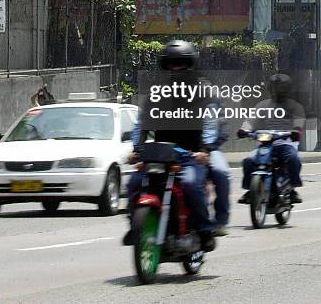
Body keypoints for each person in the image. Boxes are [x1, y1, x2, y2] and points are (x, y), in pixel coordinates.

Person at [123, 40, 216, 251]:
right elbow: (142, 124)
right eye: (171, 64)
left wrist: (204, 150)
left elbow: (211, 123)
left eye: (181, 64)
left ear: (190, 65)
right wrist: (136, 150)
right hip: (158, 156)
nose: (176, 68)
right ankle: (136, 227)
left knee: (191, 185)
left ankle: (204, 231)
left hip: (189, 158)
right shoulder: (156, 93)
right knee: (134, 183)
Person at [238, 73, 305, 205]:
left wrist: (296, 131)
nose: (277, 91)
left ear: (287, 89)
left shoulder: (295, 106)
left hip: (286, 143)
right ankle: (249, 190)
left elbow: (299, 122)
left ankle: (292, 189)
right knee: (248, 160)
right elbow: (251, 121)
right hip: (266, 144)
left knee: (293, 159)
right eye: (274, 87)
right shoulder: (262, 105)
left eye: (280, 88)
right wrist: (244, 130)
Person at [200, 84, 231, 236]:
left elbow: (224, 132)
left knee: (222, 173)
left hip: (211, 150)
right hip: (185, 150)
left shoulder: (216, 109)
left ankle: (221, 220)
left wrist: (210, 147)